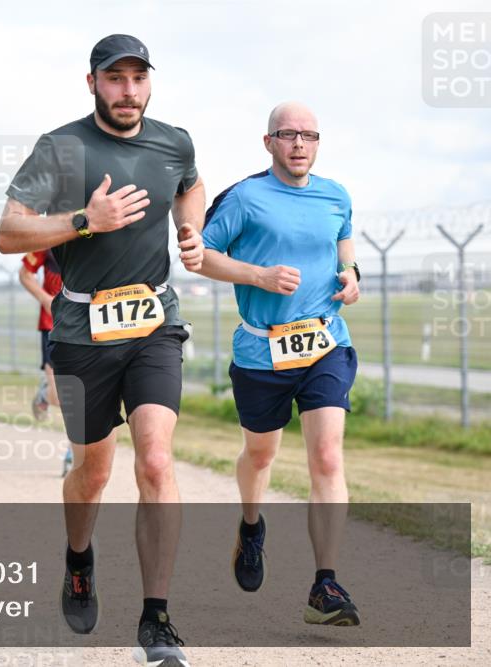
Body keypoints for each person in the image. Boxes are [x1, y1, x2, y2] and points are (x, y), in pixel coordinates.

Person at [0, 34, 206, 667]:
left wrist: (190, 229)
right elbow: (9, 232)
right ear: (91, 83)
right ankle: (79, 560)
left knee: (156, 463)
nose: (128, 90)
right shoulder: (60, 147)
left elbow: (190, 185)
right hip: (82, 331)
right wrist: (87, 220)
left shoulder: (175, 141)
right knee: (93, 473)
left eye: (138, 78)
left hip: (154, 323)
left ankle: (157, 619)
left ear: (150, 83)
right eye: (115, 79)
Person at [198, 102, 362, 627]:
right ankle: (251, 525)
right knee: (261, 456)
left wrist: (352, 275)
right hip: (261, 350)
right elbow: (201, 255)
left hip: (325, 343)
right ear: (267, 142)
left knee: (328, 459)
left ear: (318, 143)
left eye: (308, 135)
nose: (298, 144)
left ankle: (325, 583)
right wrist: (258, 276)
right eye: (287, 135)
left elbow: (344, 247)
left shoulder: (336, 195)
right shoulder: (245, 198)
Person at [18, 248, 68, 474]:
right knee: (59, 396)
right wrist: (45, 299)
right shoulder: (46, 242)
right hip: (52, 325)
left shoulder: (95, 232)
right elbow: (25, 274)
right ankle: (44, 394)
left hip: (89, 324)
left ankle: (74, 451)